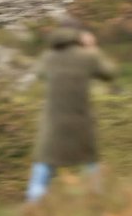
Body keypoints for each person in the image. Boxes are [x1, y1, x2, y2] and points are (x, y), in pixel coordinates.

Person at [27, 20, 117, 202]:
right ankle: (96, 204)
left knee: (43, 167)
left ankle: (32, 207)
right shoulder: (88, 57)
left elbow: (40, 73)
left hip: (53, 125)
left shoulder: (48, 56)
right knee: (91, 165)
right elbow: (110, 73)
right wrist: (92, 48)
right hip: (81, 123)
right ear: (79, 35)